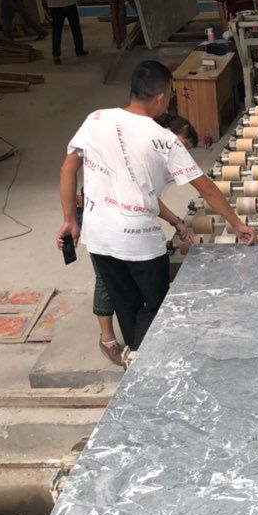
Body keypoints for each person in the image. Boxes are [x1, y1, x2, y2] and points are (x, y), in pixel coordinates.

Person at [58, 60, 256, 362]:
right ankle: (143, 361)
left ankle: (132, 358)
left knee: (126, 303)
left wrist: (70, 220)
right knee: (154, 306)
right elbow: (206, 189)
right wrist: (237, 224)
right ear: (161, 96)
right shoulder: (163, 139)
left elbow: (67, 170)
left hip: (98, 238)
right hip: (139, 242)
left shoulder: (95, 118)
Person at [88, 115, 200, 366]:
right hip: (104, 221)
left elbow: (147, 197)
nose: (180, 153)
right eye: (181, 145)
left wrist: (176, 222)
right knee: (111, 284)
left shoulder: (151, 153)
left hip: (119, 222)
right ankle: (109, 340)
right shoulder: (137, 149)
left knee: (131, 294)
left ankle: (137, 353)